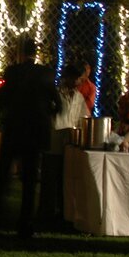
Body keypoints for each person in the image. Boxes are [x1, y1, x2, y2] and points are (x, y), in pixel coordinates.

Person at [0, 37, 61, 238]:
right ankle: (25, 225)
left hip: (14, 130)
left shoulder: (12, 72)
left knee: (3, 177)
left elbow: (1, 100)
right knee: (30, 181)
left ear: (20, 53)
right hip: (35, 133)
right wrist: (45, 114)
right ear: (35, 53)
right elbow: (58, 104)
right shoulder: (46, 74)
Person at [39, 62, 90, 227]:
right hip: (53, 141)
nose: (77, 82)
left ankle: (63, 212)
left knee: (64, 180)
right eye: (75, 78)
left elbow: (84, 117)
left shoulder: (79, 97)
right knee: (50, 179)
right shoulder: (55, 94)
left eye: (79, 79)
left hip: (68, 144)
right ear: (67, 77)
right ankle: (46, 213)